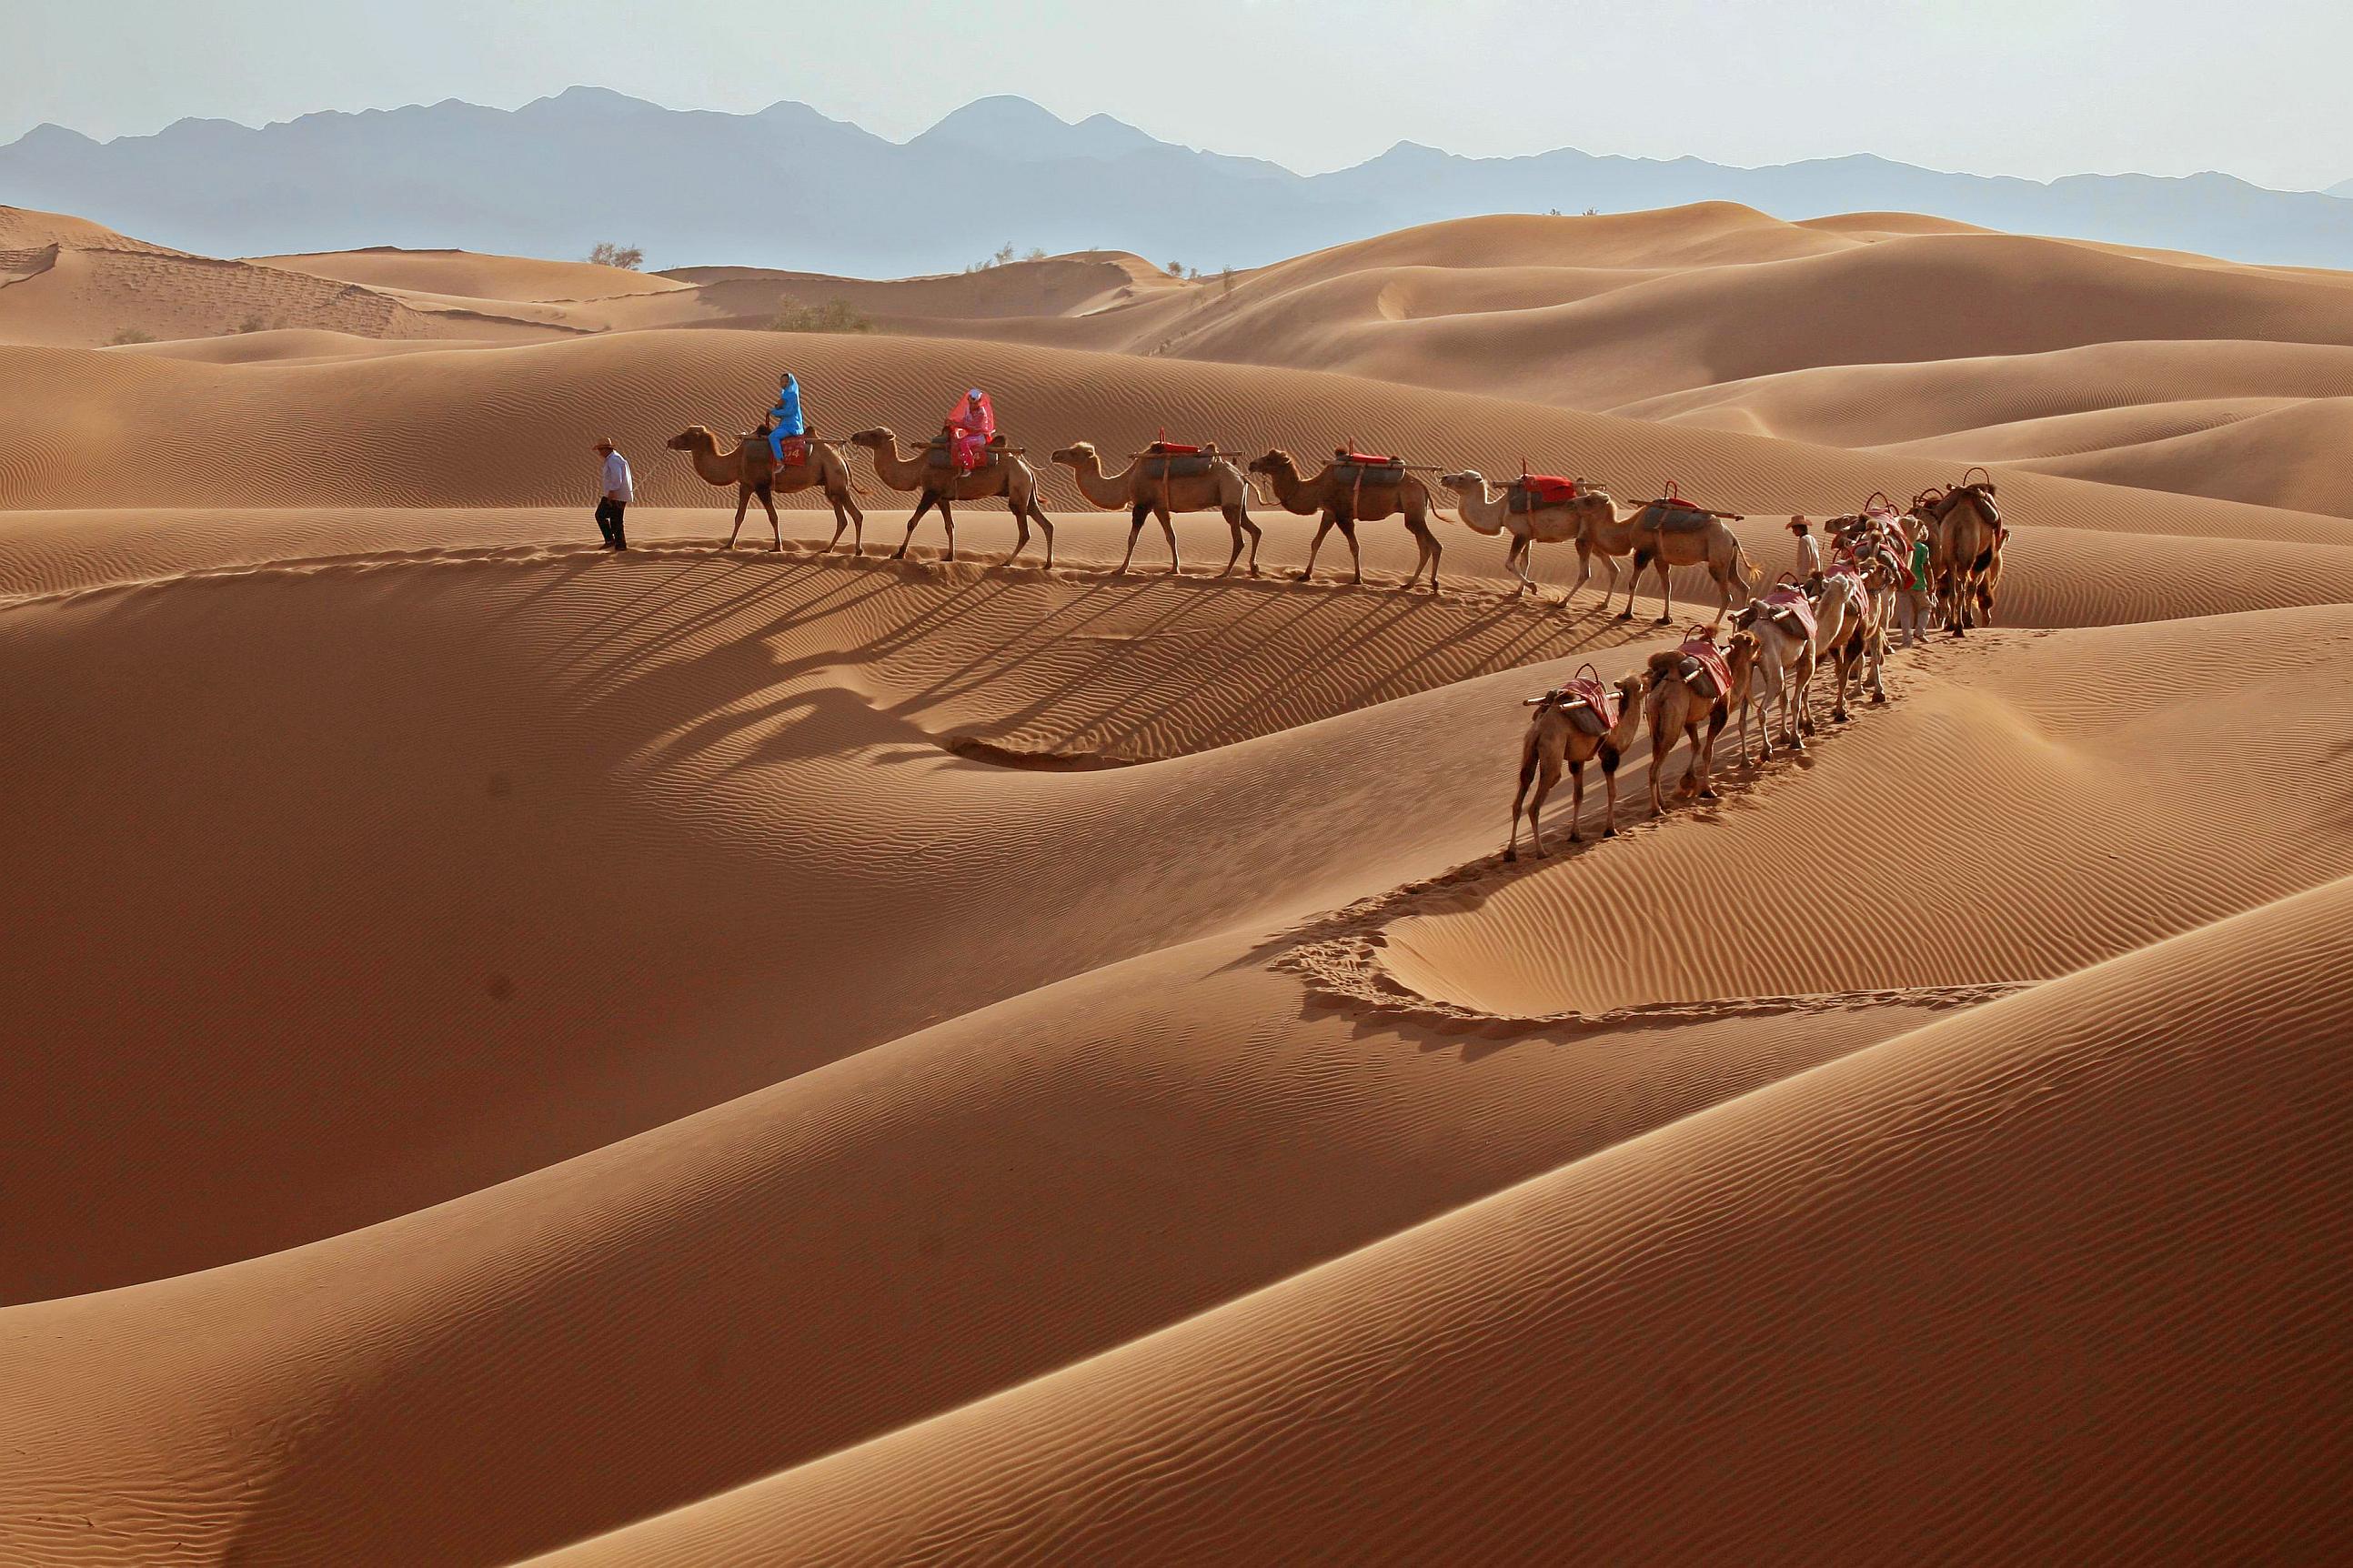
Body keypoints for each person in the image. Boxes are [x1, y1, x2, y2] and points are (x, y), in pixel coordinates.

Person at [593, 437, 632, 550]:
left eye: (600, 450)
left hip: (616, 494)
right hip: (618, 494)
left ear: (606, 449)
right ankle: (620, 546)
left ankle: (611, 540)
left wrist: (611, 492)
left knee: (600, 515)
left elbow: (617, 477)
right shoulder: (614, 458)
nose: (600, 453)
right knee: (616, 520)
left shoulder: (613, 459)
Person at [765, 372, 805, 462]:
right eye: (782, 382)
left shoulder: (793, 396)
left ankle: (780, 461)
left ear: (790, 382)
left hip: (792, 426)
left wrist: (773, 411)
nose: (783, 384)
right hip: (785, 424)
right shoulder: (785, 395)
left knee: (773, 437)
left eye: (786, 382)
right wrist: (776, 409)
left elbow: (789, 412)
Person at [1788, 517, 1821, 581]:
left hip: (1807, 576)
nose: (1793, 531)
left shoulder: (1803, 540)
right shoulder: (1812, 538)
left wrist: (1803, 578)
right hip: (1816, 573)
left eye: (1794, 529)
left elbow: (1806, 559)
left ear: (1799, 528)